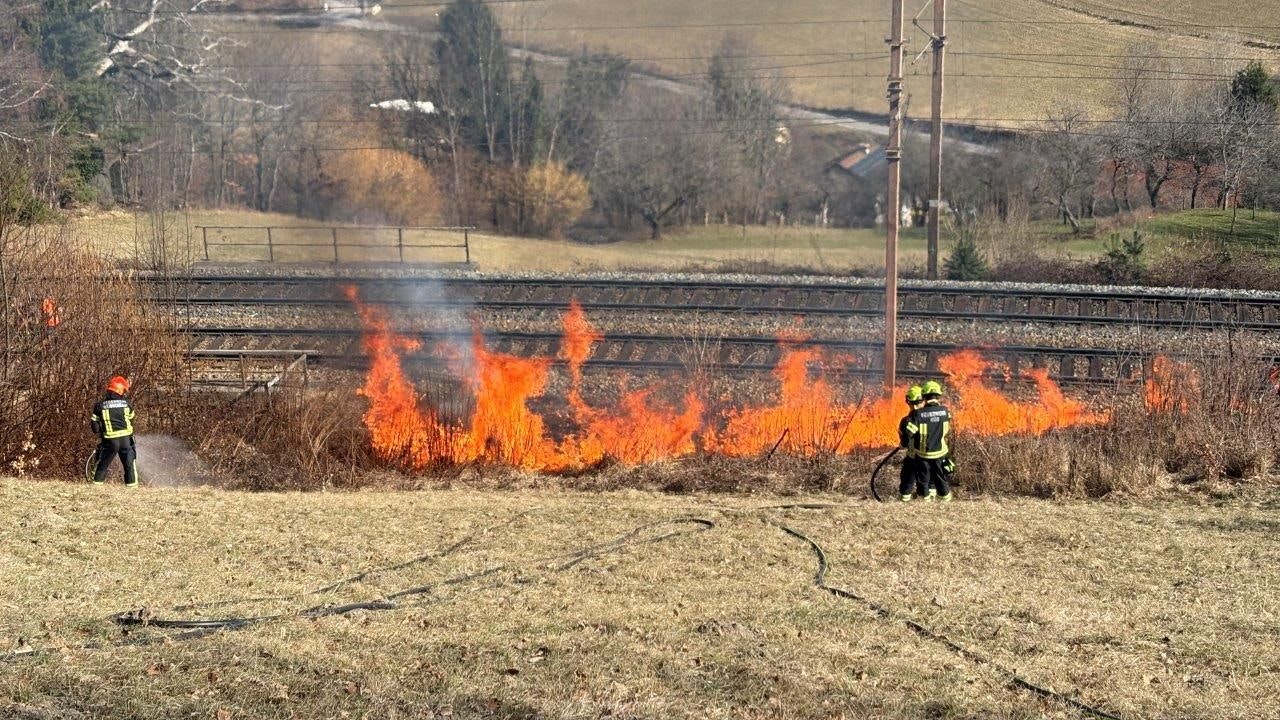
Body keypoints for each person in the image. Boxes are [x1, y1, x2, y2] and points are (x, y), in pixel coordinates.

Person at [904, 380, 953, 503]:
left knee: (923, 480)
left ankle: (924, 501)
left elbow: (910, 432)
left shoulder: (918, 414)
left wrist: (904, 442)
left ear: (924, 396)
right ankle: (945, 501)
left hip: (923, 454)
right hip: (940, 452)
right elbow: (948, 430)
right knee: (940, 478)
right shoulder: (946, 411)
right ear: (939, 395)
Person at [91, 375, 138, 487]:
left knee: (103, 463)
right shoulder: (127, 403)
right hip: (126, 440)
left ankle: (96, 486)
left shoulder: (100, 405)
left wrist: (101, 432)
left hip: (110, 440)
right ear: (121, 390)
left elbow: (95, 427)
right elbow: (131, 420)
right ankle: (132, 489)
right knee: (129, 465)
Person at [898, 385, 926, 502]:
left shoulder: (906, 421)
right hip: (929, 457)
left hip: (913, 457)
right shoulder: (932, 417)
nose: (915, 406)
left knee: (908, 479)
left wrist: (903, 443)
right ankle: (924, 499)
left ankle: (905, 499)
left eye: (916, 403)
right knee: (926, 480)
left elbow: (904, 442)